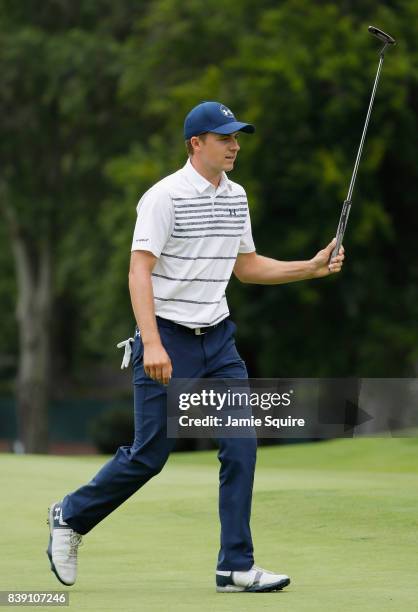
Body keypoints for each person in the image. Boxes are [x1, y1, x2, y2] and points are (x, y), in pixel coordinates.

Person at [46, 101, 344, 593]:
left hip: (219, 339)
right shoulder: (164, 197)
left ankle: (235, 566)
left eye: (237, 137)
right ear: (196, 144)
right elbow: (138, 270)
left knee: (241, 446)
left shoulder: (237, 196)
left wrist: (309, 267)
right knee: (149, 455)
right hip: (168, 337)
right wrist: (155, 344)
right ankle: (69, 515)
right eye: (225, 137)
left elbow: (245, 268)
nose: (235, 145)